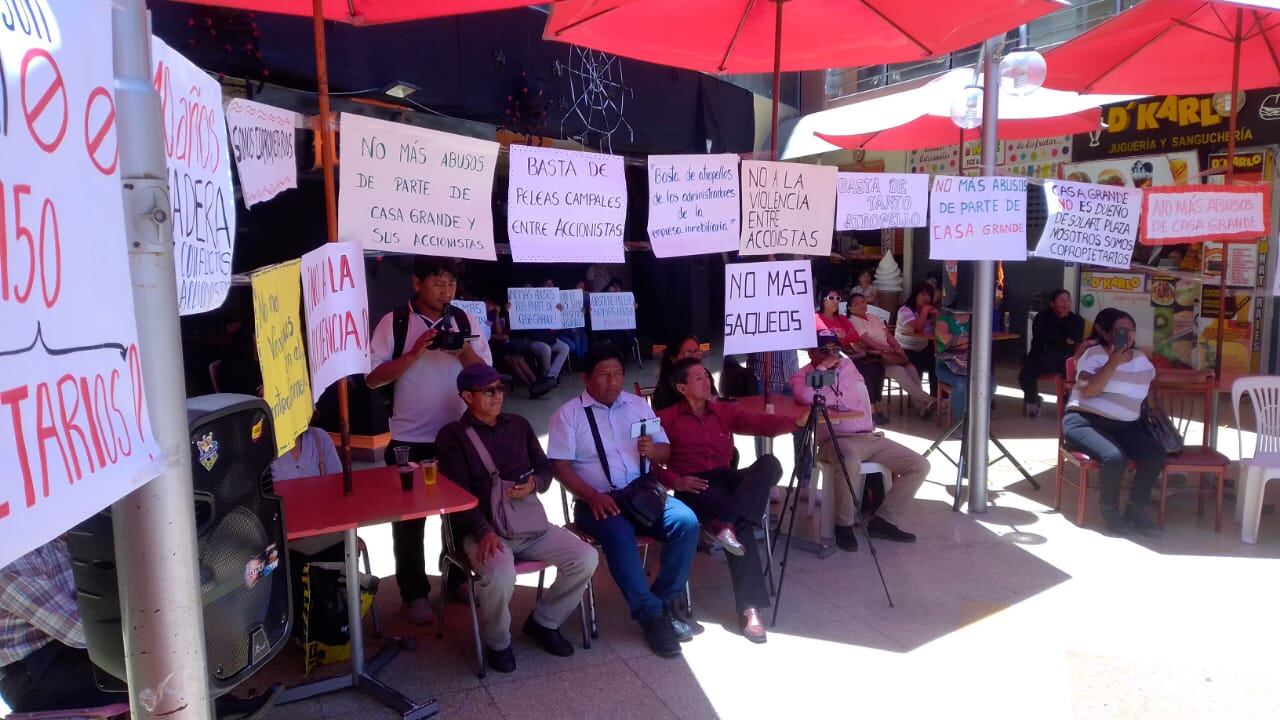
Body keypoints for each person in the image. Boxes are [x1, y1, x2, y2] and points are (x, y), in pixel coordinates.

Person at [435, 364, 598, 673]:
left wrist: (535, 483)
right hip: (483, 529)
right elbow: (457, 494)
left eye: (500, 389)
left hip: (530, 524)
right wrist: (484, 532)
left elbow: (546, 468)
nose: (498, 396)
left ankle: (544, 621)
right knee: (498, 575)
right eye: (489, 391)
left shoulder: (519, 425)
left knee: (585, 557)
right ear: (467, 397)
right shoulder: (452, 437)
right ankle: (498, 643)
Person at [547, 344, 699, 659]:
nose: (613, 381)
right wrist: (591, 495)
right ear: (586, 378)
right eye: (604, 375)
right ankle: (651, 617)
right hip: (596, 500)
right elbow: (559, 467)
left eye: (617, 374)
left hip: (642, 494)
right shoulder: (568, 415)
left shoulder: (638, 406)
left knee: (686, 522)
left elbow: (666, 451)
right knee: (618, 535)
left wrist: (653, 451)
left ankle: (662, 600)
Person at [367, 257, 492, 625]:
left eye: (451, 284)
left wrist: (462, 351)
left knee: (460, 514)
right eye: (438, 283)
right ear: (417, 283)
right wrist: (414, 352)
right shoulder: (395, 322)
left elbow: (486, 377)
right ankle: (413, 592)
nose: (446, 292)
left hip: (459, 434)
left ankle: (455, 579)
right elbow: (373, 379)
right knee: (409, 521)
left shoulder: (465, 321)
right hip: (409, 437)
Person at [656, 358, 796, 643]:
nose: (706, 381)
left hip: (726, 478)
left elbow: (760, 423)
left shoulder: (722, 411)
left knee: (770, 464)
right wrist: (675, 481)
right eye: (698, 378)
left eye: (707, 376)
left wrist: (796, 422)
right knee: (745, 525)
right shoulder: (666, 418)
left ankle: (727, 524)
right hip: (694, 485)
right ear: (682, 387)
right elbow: (649, 464)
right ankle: (750, 609)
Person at [789, 330, 931, 550]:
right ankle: (843, 525)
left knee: (919, 465)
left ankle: (884, 520)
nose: (832, 354)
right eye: (824, 350)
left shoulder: (847, 366)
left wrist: (828, 379)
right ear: (810, 353)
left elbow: (845, 394)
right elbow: (806, 396)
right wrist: (822, 369)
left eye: (835, 349)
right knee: (849, 462)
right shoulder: (800, 375)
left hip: (868, 436)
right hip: (835, 441)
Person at [1062, 308, 1164, 535]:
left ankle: (1135, 510)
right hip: (1084, 422)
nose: (1127, 335)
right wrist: (1112, 363)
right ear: (1107, 334)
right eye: (1120, 330)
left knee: (1155, 453)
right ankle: (1109, 510)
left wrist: (1197, 375)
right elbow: (1088, 391)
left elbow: (1159, 378)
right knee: (1115, 457)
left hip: (1125, 426)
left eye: (1131, 330)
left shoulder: (1140, 359)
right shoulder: (1094, 354)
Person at [0, 540, 119, 713]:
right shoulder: (10, 550)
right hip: (42, 677)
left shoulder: (49, 531)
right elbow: (80, 631)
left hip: (71, 653)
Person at [848, 294, 936, 419]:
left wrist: (898, 347)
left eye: (863, 301)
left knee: (911, 367)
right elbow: (868, 342)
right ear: (851, 308)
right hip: (875, 357)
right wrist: (887, 349)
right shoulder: (853, 321)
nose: (862, 304)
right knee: (899, 370)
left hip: (889, 354)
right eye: (857, 303)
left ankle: (922, 406)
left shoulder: (872, 317)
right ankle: (928, 399)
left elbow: (888, 336)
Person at [815, 288, 888, 424]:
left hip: (849, 353)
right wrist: (839, 337)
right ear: (823, 300)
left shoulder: (841, 318)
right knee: (868, 370)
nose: (835, 301)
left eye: (838, 299)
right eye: (831, 298)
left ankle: (878, 406)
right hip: (830, 356)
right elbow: (825, 337)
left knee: (878, 367)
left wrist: (839, 337)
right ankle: (871, 409)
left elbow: (854, 336)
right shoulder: (817, 317)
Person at [1020, 289, 1085, 417]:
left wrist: (1064, 323)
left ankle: (1068, 407)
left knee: (1072, 379)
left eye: (1068, 300)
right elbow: (1041, 336)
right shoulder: (1041, 317)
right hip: (1040, 356)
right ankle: (1034, 400)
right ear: (1052, 303)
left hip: (1064, 358)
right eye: (1061, 300)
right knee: (1025, 376)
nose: (1065, 303)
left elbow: (1075, 338)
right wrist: (1063, 339)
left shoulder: (1077, 320)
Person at [895, 283, 939, 394]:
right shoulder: (905, 310)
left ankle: (937, 398)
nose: (925, 298)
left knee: (938, 363)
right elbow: (918, 328)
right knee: (916, 366)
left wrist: (936, 317)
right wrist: (925, 311)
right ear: (915, 295)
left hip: (922, 348)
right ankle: (922, 401)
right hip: (903, 349)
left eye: (928, 295)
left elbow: (938, 332)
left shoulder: (930, 311)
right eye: (922, 294)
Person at [652, 334, 704, 412]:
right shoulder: (666, 387)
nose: (694, 358)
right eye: (689, 354)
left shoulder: (705, 375)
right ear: (673, 359)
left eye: (696, 351)